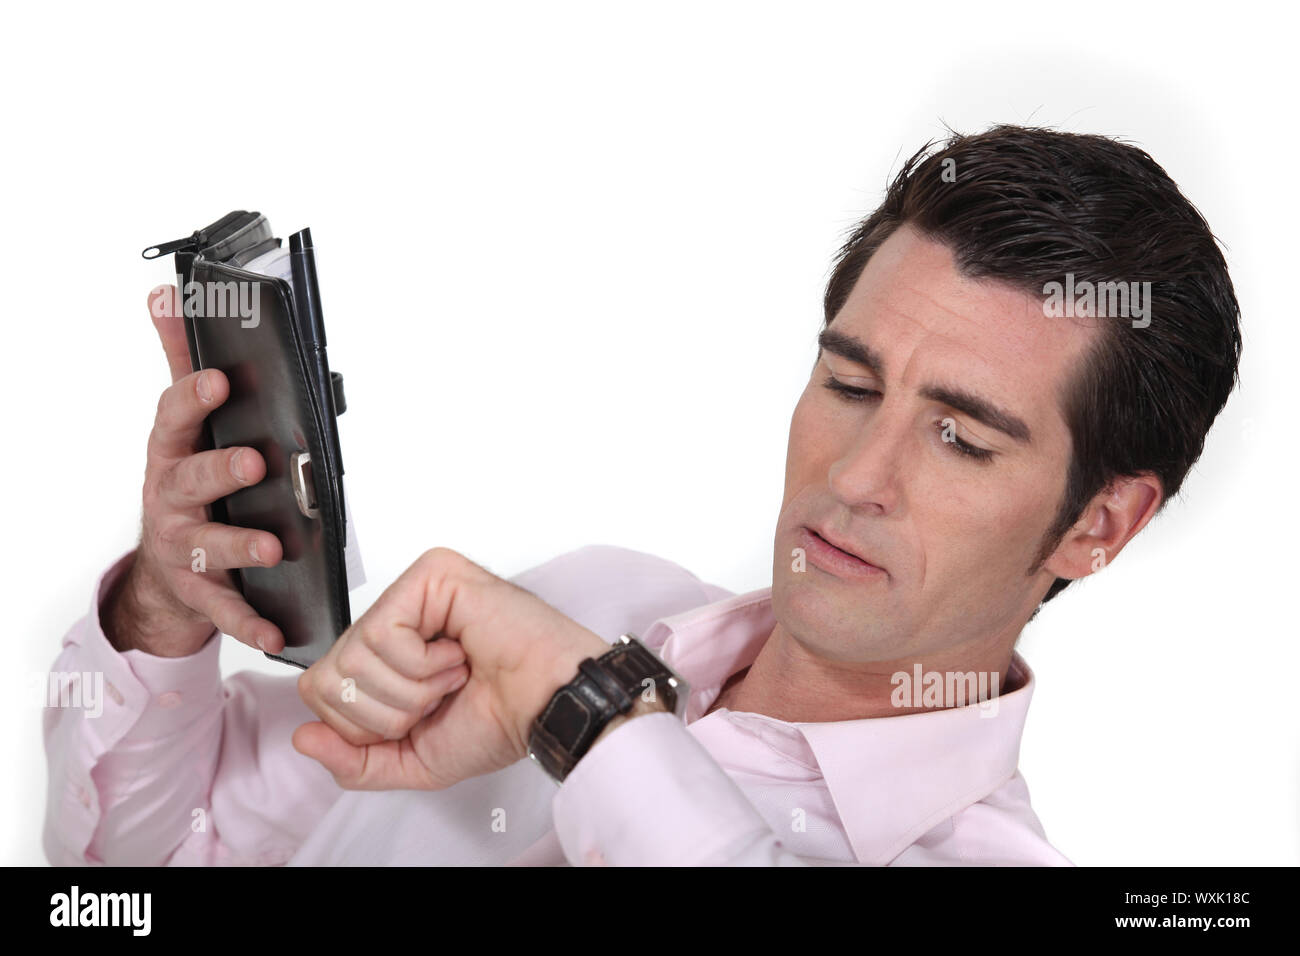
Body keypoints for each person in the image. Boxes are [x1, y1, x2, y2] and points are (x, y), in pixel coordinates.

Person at [43, 124, 1242, 866]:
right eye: (846, 382)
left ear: (1098, 524)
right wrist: (165, 605)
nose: (855, 475)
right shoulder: (581, 604)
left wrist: (585, 716)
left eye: (960, 440)